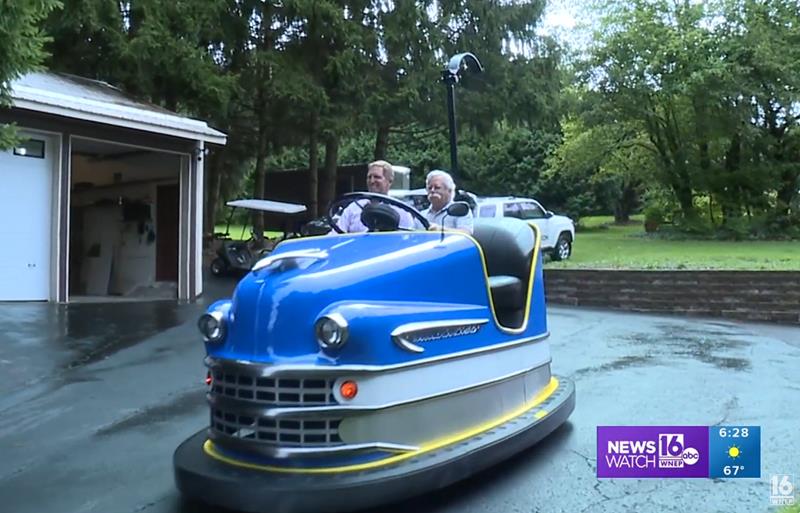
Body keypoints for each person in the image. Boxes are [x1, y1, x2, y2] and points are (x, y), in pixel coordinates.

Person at [332, 160, 416, 233]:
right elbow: (336, 235)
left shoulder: (401, 211)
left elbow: (408, 239)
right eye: (369, 177)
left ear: (389, 181)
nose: (372, 181)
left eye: (377, 177)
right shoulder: (353, 208)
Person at [421, 170, 474, 234]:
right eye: (429, 188)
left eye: (437, 187)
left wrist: (441, 230)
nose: (432, 190)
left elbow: (466, 234)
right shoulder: (421, 215)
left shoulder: (460, 211)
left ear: (449, 191)